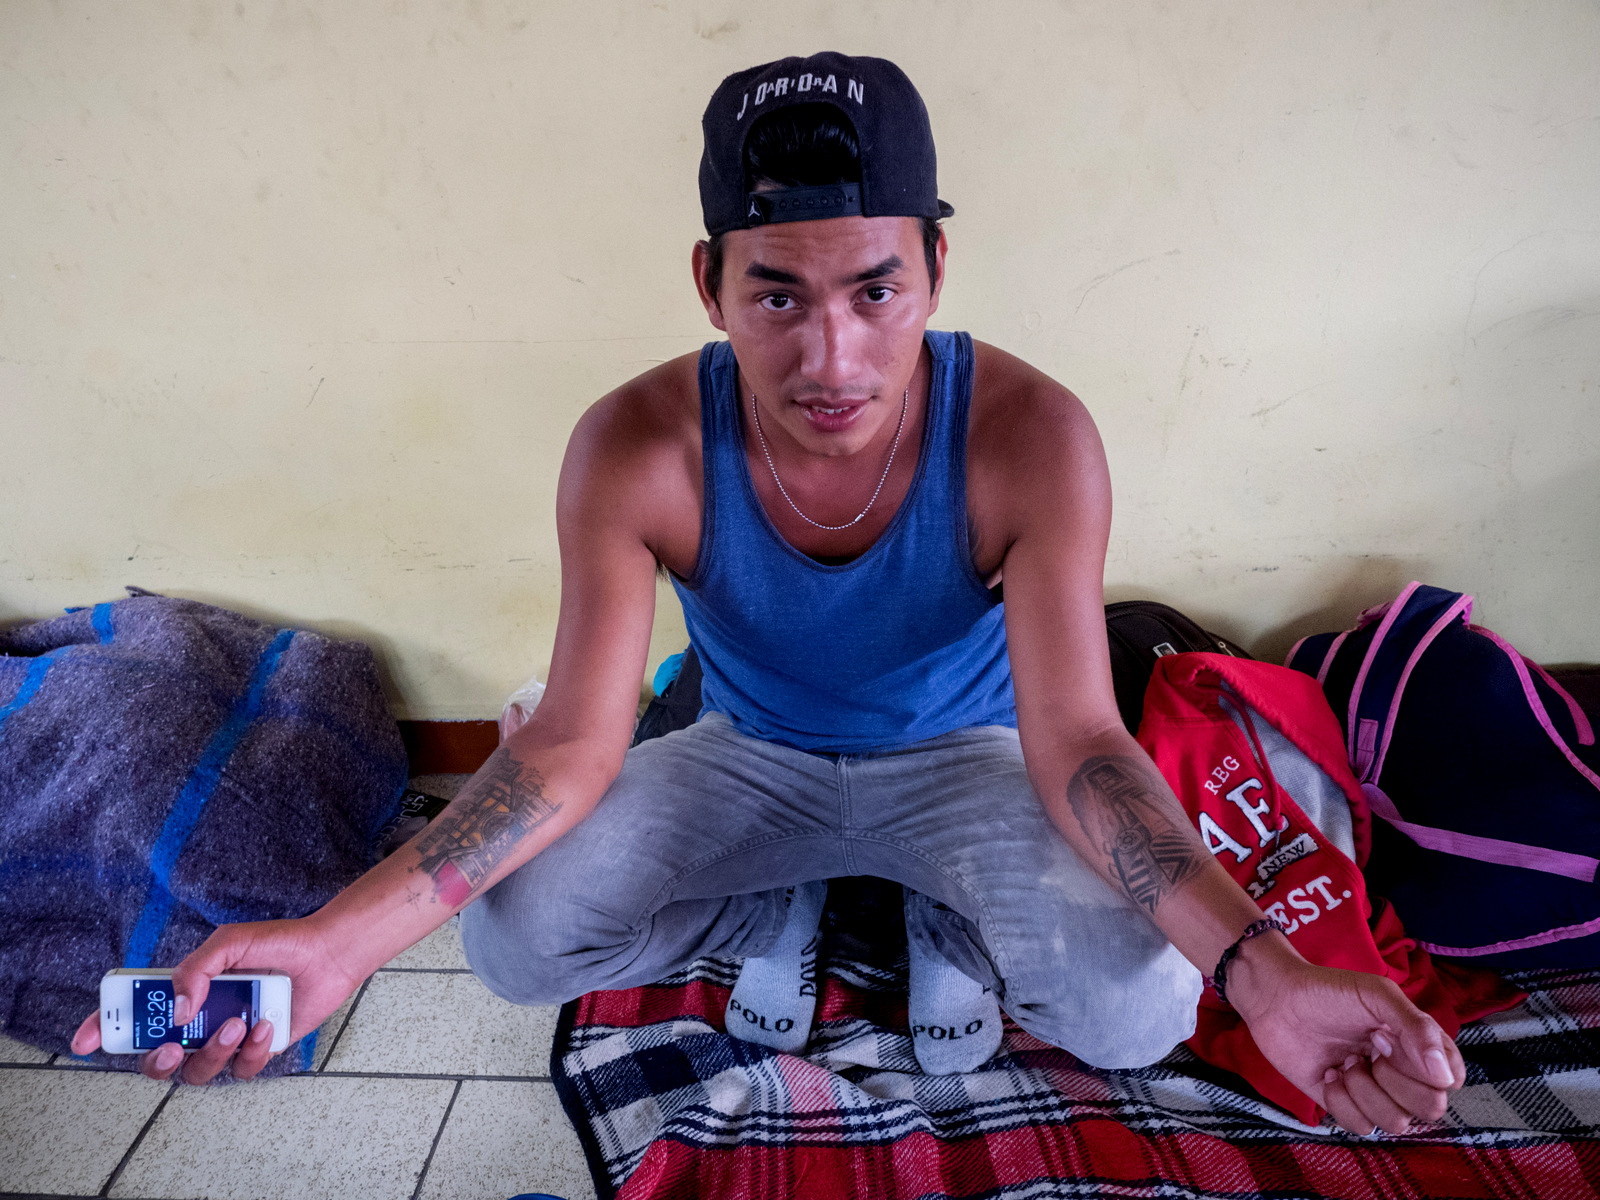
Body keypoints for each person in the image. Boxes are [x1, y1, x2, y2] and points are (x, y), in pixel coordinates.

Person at [74, 51, 1463, 1135]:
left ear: (934, 269)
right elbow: (566, 744)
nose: (834, 357)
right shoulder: (640, 446)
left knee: (1141, 1002)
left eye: (875, 289)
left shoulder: (1031, 436)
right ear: (710, 285)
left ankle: (944, 911)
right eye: (778, 296)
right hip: (751, 758)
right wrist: (332, 945)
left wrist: (1267, 972)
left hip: (974, 765)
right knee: (517, 935)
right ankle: (772, 908)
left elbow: (1081, 744)